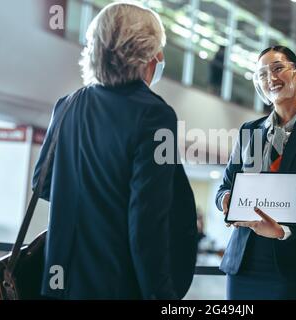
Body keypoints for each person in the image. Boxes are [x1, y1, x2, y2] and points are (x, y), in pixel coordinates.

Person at [33, 3, 198, 300]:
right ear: (147, 54)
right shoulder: (155, 115)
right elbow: (146, 221)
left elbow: (42, 184)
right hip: (117, 284)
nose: (160, 57)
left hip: (62, 283)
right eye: (158, 49)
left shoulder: (68, 105)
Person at [215, 45, 296, 300]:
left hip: (295, 267)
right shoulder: (250, 131)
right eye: (262, 74)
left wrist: (283, 230)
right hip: (244, 263)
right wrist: (226, 200)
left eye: (278, 69)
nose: (271, 78)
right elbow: (224, 187)